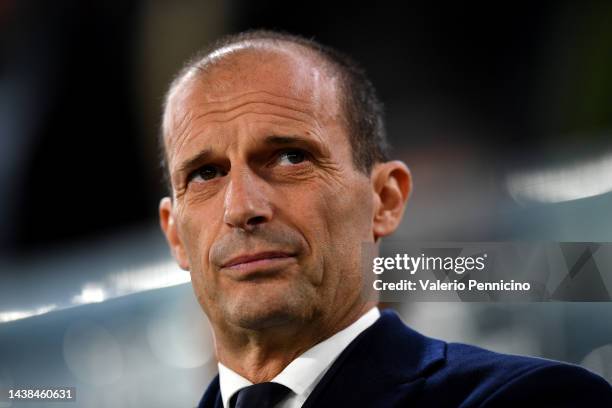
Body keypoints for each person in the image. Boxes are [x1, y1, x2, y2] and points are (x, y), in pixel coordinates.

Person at [158, 30, 612, 407]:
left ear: (385, 199)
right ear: (175, 235)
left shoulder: (533, 400)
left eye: (290, 157)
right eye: (205, 174)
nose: (240, 207)